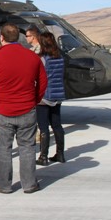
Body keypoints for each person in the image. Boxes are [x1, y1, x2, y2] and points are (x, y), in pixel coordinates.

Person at [0, 23, 47, 194]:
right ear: (19, 37)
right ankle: (29, 183)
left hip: (1, 110)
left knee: (3, 148)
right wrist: (34, 100)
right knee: (27, 147)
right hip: (26, 108)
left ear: (1, 38)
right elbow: (43, 82)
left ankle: (3, 184)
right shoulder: (32, 57)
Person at [36, 31, 66, 166]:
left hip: (44, 96)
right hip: (57, 95)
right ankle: (60, 153)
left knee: (43, 127)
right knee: (57, 125)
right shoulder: (60, 57)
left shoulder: (42, 58)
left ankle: (43, 156)